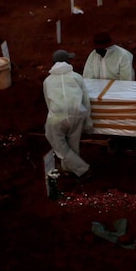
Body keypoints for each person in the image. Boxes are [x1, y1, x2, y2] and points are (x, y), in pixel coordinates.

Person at [44, 48, 94, 181]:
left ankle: (82, 169)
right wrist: (88, 122)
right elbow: (85, 100)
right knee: (73, 142)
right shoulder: (76, 77)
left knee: (59, 145)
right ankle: (69, 168)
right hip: (77, 113)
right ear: (67, 61)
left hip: (57, 116)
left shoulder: (48, 81)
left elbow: (48, 102)